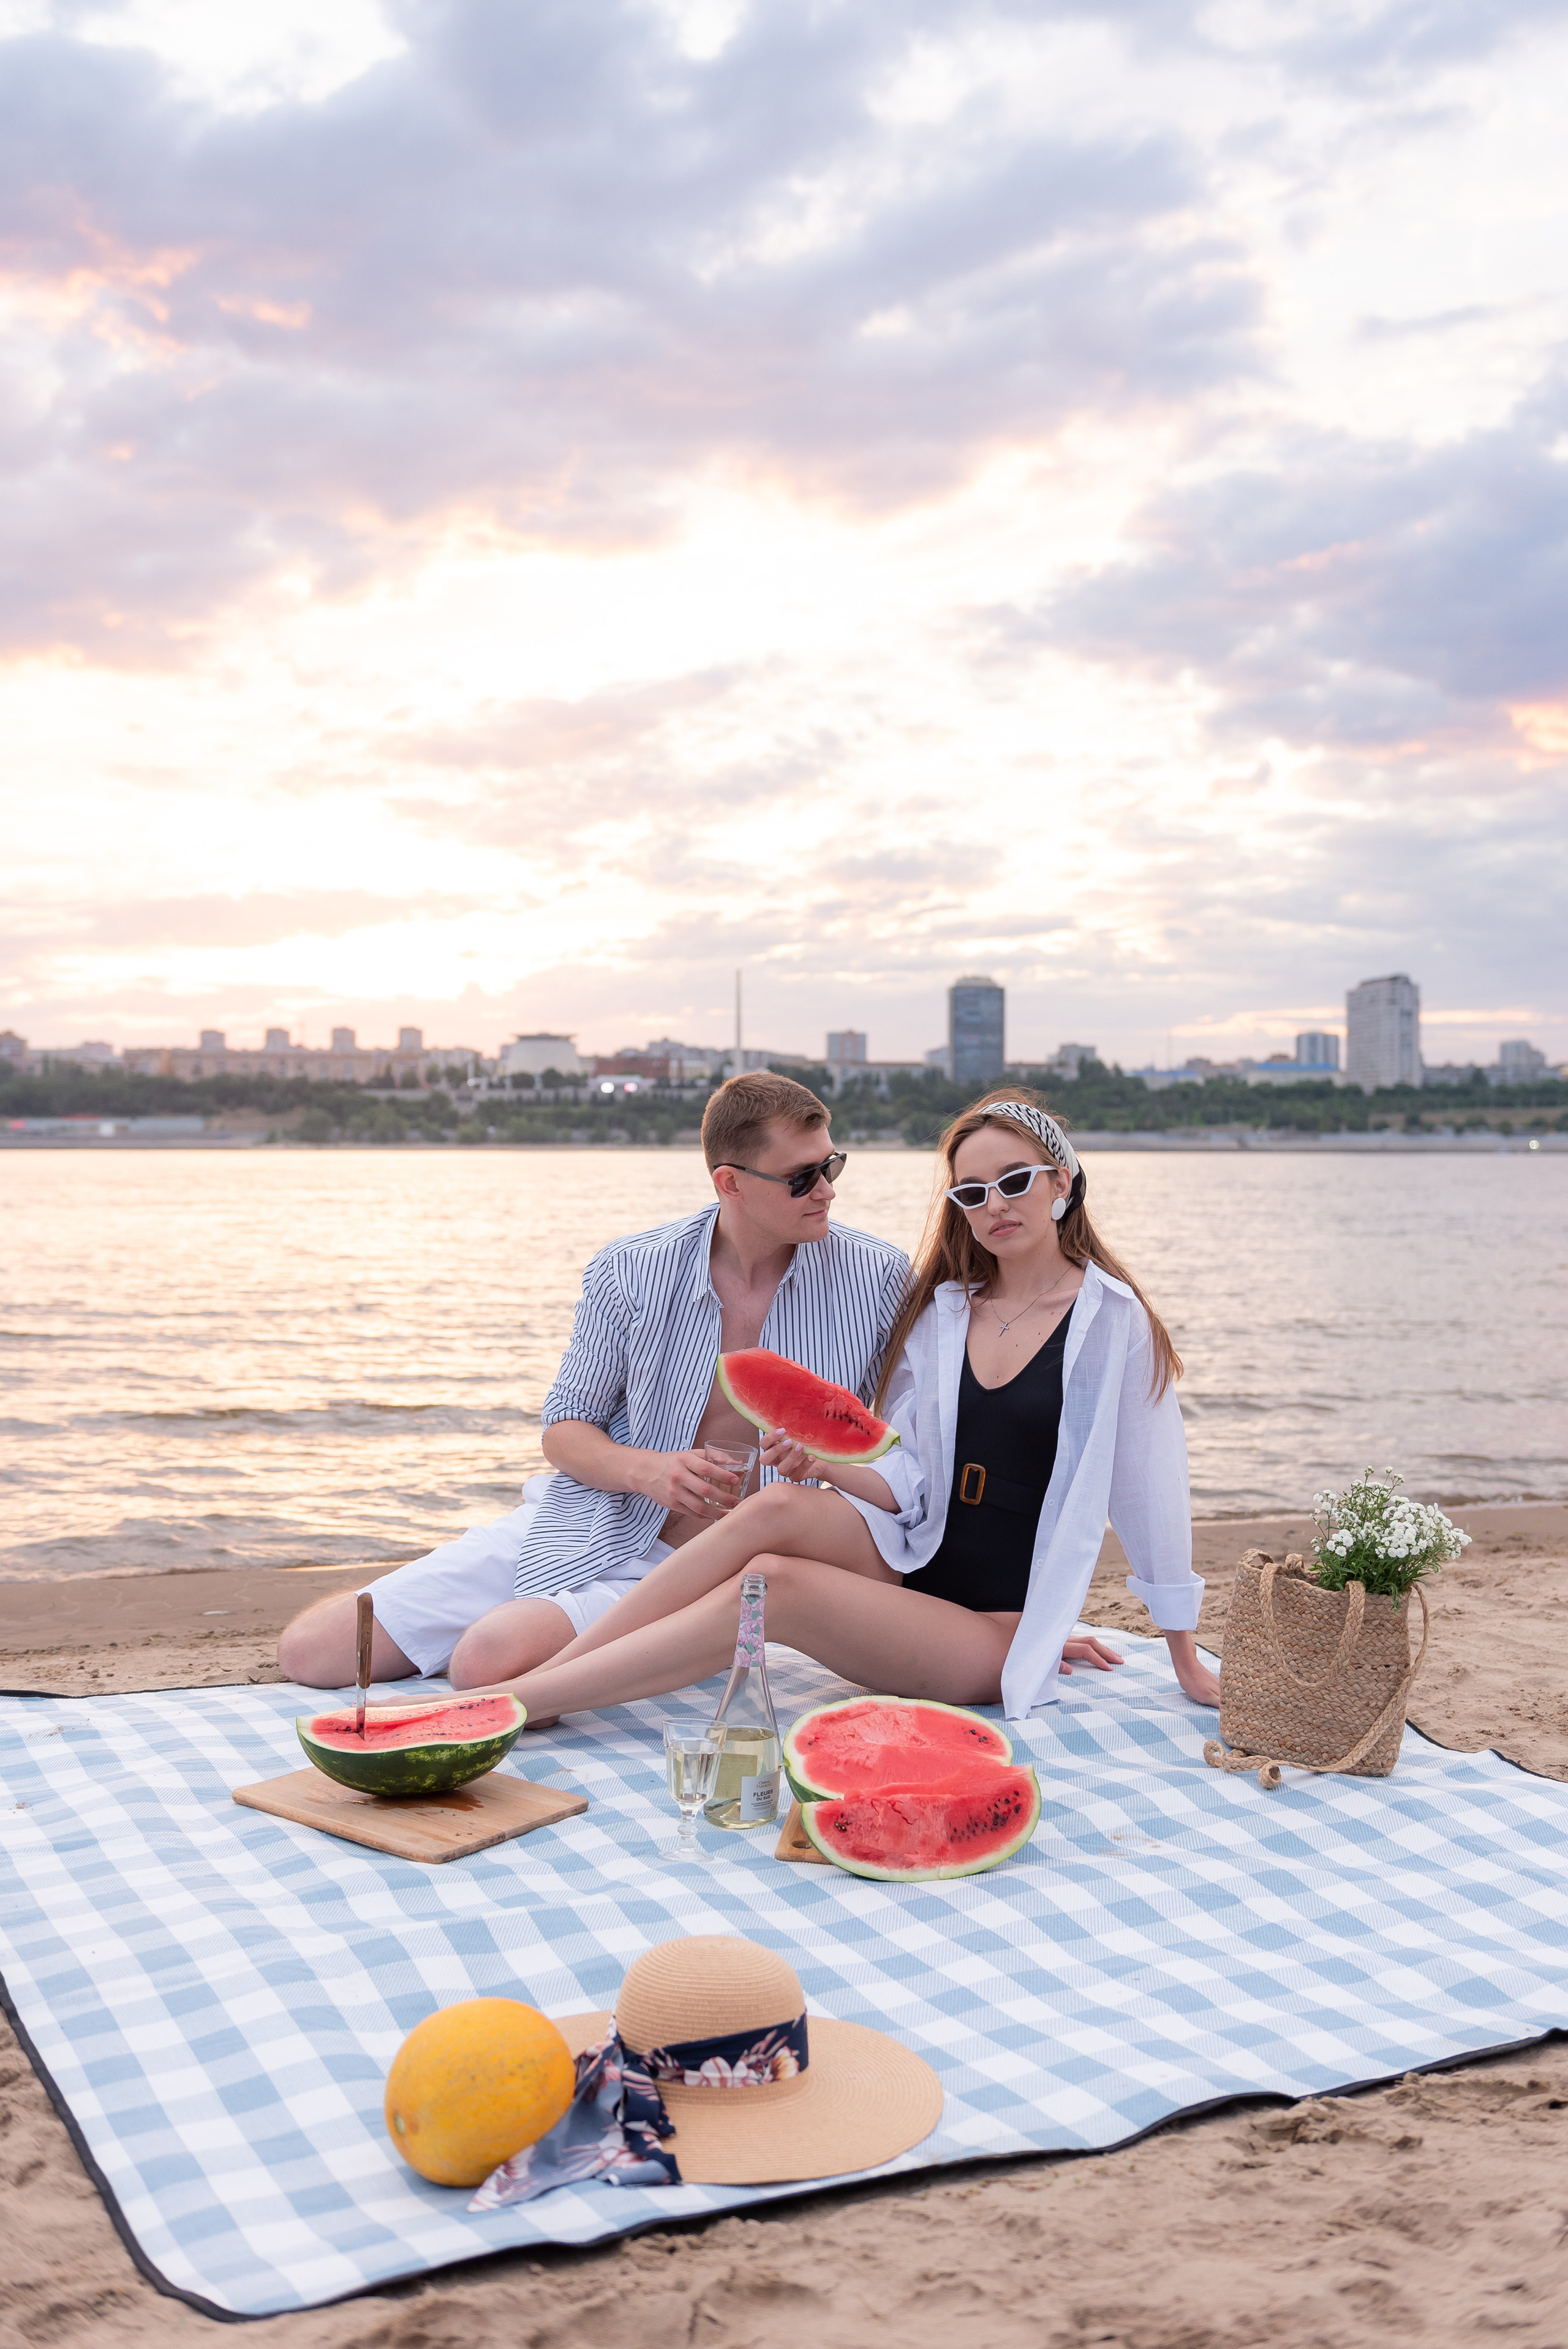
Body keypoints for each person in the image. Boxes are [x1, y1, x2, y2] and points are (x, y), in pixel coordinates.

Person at [481, 1089, 1220, 1726]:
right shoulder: (947, 1311)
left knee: (774, 1585)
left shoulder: (1112, 1322)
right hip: (911, 1563)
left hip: (989, 1627)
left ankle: (518, 1703)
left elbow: (1151, 1493)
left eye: (1015, 1181)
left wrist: (1182, 1656)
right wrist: (827, 1464)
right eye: (970, 1192)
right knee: (771, 1511)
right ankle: (545, 1684)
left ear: (1060, 1182)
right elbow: (906, 1474)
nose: (993, 1206)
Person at [276, 1073, 911, 1688]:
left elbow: (910, 1453)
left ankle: (571, 1638)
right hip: (596, 1515)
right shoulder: (629, 1270)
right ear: (730, 1183)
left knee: (486, 1663)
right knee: (315, 1653)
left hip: (717, 1570)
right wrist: (651, 1472)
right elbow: (565, 1433)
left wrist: (826, 1466)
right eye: (802, 1179)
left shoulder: (879, 1278)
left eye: (832, 1166)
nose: (826, 1191)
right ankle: (540, 1621)